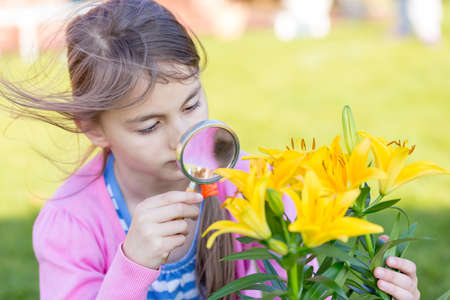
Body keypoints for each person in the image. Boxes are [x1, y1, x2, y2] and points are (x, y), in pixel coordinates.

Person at [0, 0, 420, 299]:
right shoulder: (71, 226)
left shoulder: (253, 191)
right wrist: (133, 264)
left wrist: (379, 290)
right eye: (149, 126)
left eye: (191, 104)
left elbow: (299, 290)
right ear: (93, 129)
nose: (184, 138)